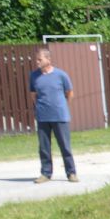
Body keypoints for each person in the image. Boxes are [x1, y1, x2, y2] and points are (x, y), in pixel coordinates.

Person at [28, 47, 79, 182]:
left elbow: (69, 93)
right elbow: (33, 95)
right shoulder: (34, 76)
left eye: (40, 59)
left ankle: (71, 173)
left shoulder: (61, 75)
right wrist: (40, 107)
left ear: (48, 59)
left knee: (65, 146)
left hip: (60, 116)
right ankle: (45, 173)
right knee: (44, 147)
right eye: (36, 59)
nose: (37, 62)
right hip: (42, 116)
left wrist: (61, 106)